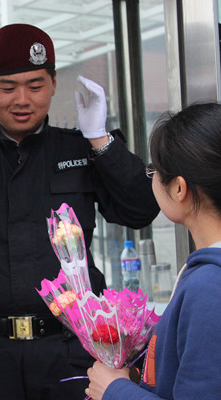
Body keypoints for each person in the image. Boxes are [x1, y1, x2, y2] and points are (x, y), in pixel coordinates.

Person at [0, 23, 160, 400]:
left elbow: (139, 210)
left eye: (35, 86)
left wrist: (101, 140)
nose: (22, 99)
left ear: (53, 84)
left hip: (72, 349)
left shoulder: (80, 149)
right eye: (8, 88)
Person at [85, 102, 221, 400]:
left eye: (154, 170)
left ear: (179, 189)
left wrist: (114, 390)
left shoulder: (208, 287)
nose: (152, 178)